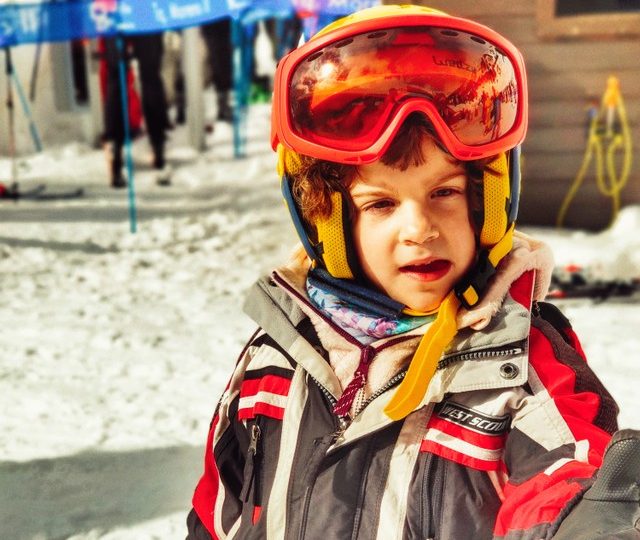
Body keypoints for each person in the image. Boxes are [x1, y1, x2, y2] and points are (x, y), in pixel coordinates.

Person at [186, 5, 639, 539]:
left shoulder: (526, 370)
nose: (420, 229)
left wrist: (587, 522)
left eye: (444, 193)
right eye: (380, 204)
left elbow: (563, 477)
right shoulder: (272, 362)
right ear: (327, 220)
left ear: (486, 203)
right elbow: (218, 516)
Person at [102, 32, 170, 188]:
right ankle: (157, 147)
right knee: (148, 75)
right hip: (141, 13)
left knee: (118, 76)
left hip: (116, 13)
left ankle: (117, 151)